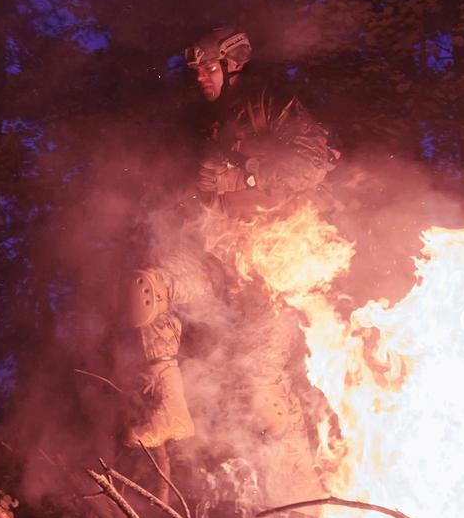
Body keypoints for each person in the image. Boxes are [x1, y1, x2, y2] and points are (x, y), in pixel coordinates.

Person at [122, 27, 339, 463]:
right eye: (196, 71)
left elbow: (316, 162)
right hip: (220, 258)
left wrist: (247, 176)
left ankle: (299, 497)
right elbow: (204, 194)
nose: (200, 77)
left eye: (207, 68)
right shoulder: (209, 123)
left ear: (232, 64)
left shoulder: (270, 103)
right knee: (148, 287)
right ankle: (170, 412)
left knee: (261, 398)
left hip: (276, 267)